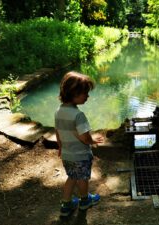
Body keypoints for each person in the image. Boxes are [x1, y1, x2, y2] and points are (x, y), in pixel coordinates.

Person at [54, 71, 104, 217]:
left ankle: (66, 205)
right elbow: (84, 137)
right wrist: (92, 140)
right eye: (85, 93)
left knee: (71, 177)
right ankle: (84, 201)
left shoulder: (59, 111)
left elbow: (57, 131)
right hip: (80, 155)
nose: (88, 96)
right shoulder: (78, 115)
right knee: (82, 178)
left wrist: (60, 147)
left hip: (67, 154)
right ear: (74, 93)